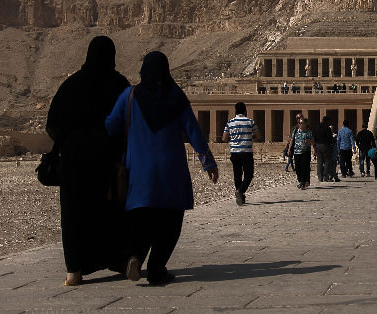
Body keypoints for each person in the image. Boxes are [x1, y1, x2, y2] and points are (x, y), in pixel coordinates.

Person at [105, 51, 218, 285]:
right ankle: (157, 268)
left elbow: (110, 126)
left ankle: (134, 256)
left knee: (141, 216)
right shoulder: (176, 97)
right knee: (171, 220)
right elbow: (193, 131)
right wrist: (208, 161)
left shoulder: (130, 96)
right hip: (171, 170)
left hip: (139, 170)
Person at [45, 36, 131, 286]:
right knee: (112, 208)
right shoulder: (118, 84)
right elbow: (129, 121)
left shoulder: (71, 85)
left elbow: (53, 124)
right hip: (108, 156)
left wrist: (71, 140)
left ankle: (74, 269)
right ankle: (120, 261)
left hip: (75, 159)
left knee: (74, 211)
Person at [222, 102, 261, 205]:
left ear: (235, 111)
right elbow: (258, 136)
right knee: (249, 175)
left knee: (237, 175)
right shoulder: (250, 122)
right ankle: (240, 192)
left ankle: (240, 197)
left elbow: (224, 138)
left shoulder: (230, 123)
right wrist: (249, 137)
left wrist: (234, 138)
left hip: (235, 152)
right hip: (247, 152)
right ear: (245, 111)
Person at [291, 117, 314, 190]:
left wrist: (309, 141)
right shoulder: (295, 131)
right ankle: (301, 181)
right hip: (296, 152)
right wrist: (289, 149)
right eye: (299, 123)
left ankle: (303, 183)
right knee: (298, 168)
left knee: (304, 167)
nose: (300, 124)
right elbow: (291, 140)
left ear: (305, 124)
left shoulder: (309, 132)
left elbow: (313, 142)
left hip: (305, 152)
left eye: (301, 123)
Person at [312, 117, 334, 183]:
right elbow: (330, 138)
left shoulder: (316, 127)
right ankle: (325, 176)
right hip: (326, 145)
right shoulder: (327, 128)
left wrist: (314, 147)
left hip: (318, 145)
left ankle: (320, 177)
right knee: (327, 161)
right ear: (327, 121)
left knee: (319, 161)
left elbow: (314, 137)